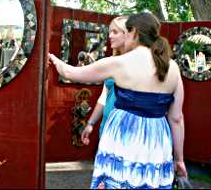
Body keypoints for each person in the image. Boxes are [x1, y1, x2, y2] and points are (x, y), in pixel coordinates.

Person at [49, 12, 187, 189]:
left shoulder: (119, 63)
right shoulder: (172, 67)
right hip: (156, 141)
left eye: (126, 32)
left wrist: (53, 59)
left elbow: (69, 72)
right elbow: (176, 119)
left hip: (123, 138)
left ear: (134, 32)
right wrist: (179, 159)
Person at [81, 16, 128, 145]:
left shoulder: (137, 63)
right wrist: (90, 123)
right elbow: (104, 97)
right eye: (109, 32)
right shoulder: (111, 62)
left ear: (128, 33)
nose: (110, 36)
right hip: (107, 129)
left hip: (126, 134)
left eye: (115, 32)